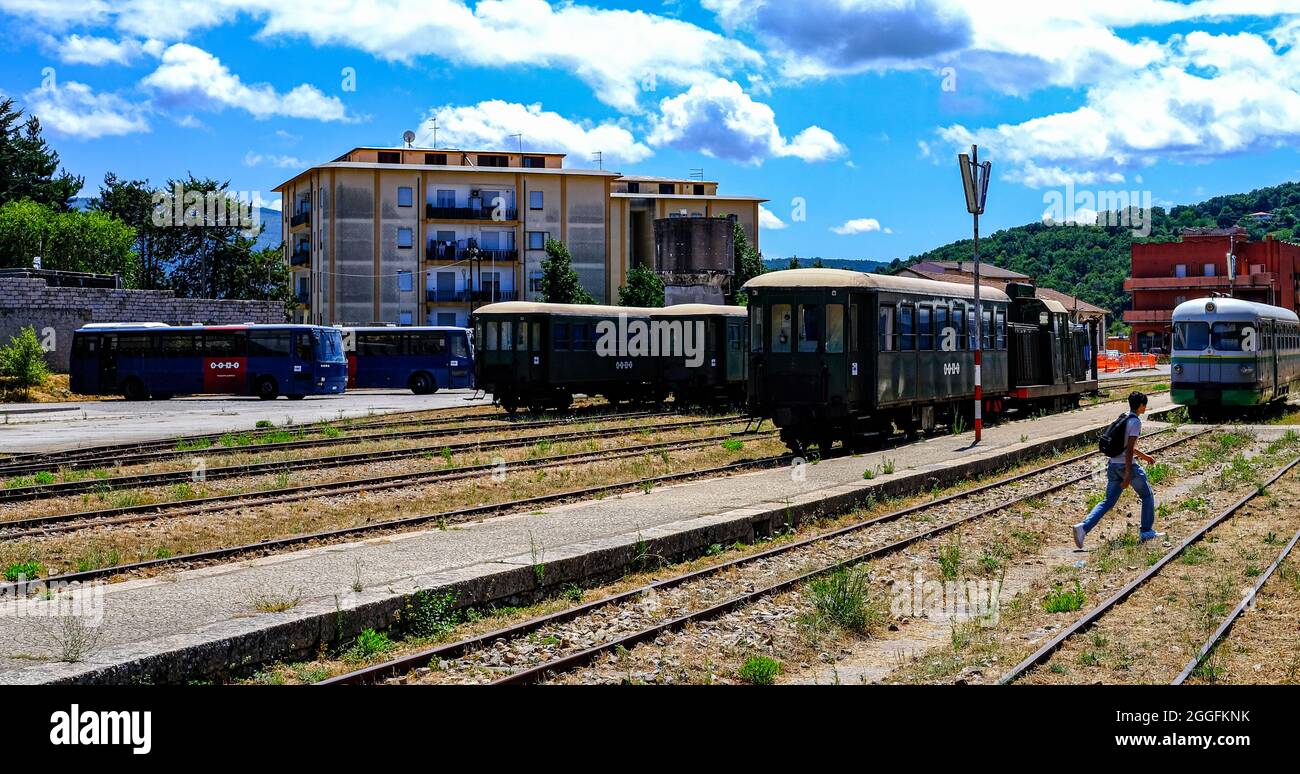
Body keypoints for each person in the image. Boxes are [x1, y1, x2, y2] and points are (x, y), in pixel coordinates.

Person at [1072, 391, 1165, 548]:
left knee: (1107, 501)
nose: (1145, 407)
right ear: (1141, 405)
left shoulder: (1123, 416)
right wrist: (1128, 474)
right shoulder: (1135, 422)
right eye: (1145, 405)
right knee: (1147, 494)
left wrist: (1145, 456)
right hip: (1125, 466)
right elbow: (1129, 450)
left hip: (1113, 465)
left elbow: (1127, 446)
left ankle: (1083, 528)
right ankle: (1146, 531)